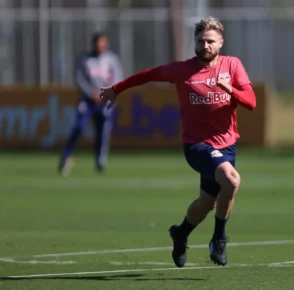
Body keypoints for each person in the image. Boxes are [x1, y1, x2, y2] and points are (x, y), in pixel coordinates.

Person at [100, 17, 256, 267]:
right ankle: (219, 239)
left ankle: (181, 233)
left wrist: (231, 91)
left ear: (221, 43)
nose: (205, 45)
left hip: (226, 146)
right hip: (197, 145)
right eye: (201, 40)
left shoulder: (232, 65)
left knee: (206, 204)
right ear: (194, 42)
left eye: (210, 41)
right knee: (231, 179)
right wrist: (116, 89)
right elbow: (148, 75)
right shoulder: (182, 70)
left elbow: (251, 101)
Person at [58, 32, 123, 176]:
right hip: (88, 100)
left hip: (105, 101)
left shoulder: (111, 59)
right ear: (93, 44)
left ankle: (100, 160)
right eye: (97, 43)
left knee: (103, 131)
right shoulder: (85, 59)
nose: (100, 46)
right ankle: (66, 157)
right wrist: (91, 93)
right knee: (79, 127)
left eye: (102, 43)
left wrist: (108, 93)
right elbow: (79, 78)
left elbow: (118, 78)